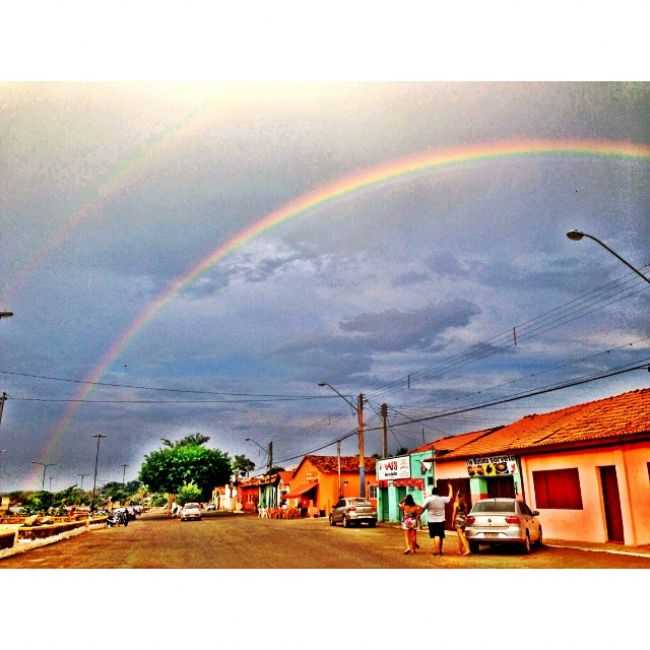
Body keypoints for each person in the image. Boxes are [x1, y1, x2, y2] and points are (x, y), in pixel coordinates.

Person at [421, 483, 454, 556]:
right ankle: (440, 550)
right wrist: (450, 487)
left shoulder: (428, 499)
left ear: (432, 492)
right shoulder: (442, 499)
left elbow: (422, 508)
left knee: (436, 536)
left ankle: (437, 551)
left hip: (432, 521)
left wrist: (419, 514)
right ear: (438, 492)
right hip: (441, 520)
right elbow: (450, 497)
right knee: (440, 536)